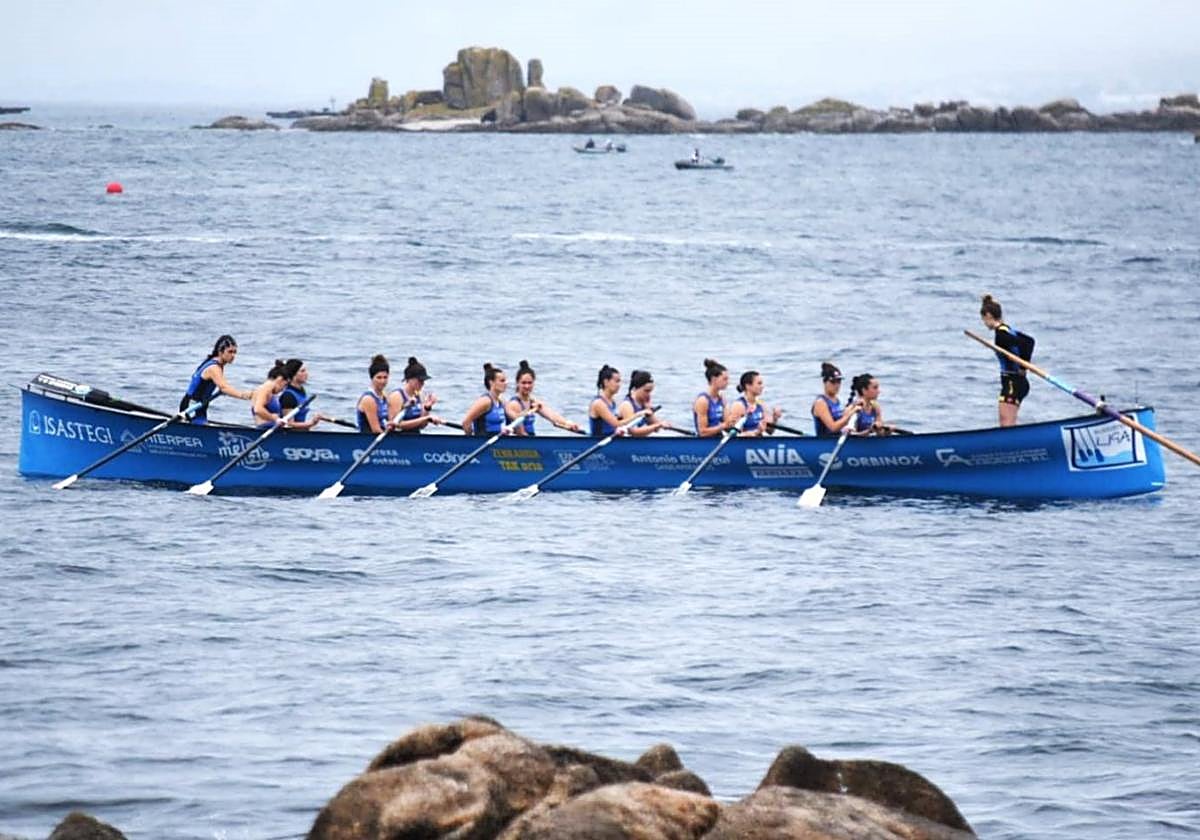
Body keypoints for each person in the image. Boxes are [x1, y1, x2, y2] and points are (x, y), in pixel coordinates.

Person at [980, 293, 1034, 427]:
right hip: (1016, 382)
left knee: (1006, 424)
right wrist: (1024, 367)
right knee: (1008, 424)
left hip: (1012, 383)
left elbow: (1026, 343)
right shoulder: (1008, 329)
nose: (984, 323)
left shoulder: (1001, 335)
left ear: (988, 316)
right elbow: (1029, 342)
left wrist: (1022, 368)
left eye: (983, 319)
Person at [179, 334, 254, 424]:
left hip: (199, 406)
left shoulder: (216, 364)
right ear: (220, 352)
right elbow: (224, 387)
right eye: (230, 352)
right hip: (191, 408)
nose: (233, 355)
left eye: (235, 352)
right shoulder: (214, 368)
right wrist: (244, 395)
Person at [506, 359, 583, 436]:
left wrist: (569, 424)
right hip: (520, 442)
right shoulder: (514, 404)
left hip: (530, 438)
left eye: (530, 383)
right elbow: (521, 433)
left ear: (534, 383)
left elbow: (552, 416)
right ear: (517, 383)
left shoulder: (534, 402)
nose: (527, 386)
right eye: (524, 383)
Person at [388, 356, 443, 434]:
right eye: (420, 380)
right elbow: (396, 425)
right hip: (399, 438)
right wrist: (427, 418)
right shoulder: (396, 396)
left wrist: (427, 408)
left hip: (415, 436)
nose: (423, 383)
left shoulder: (421, 395)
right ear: (409, 379)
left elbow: (422, 425)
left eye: (423, 380)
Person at [726, 370, 783, 436]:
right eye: (759, 383)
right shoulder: (739, 406)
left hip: (758, 443)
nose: (762, 386)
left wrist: (775, 418)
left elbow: (770, 431)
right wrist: (757, 432)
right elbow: (736, 436)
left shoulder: (761, 404)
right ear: (748, 386)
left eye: (762, 383)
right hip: (744, 444)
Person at [618, 369, 671, 436]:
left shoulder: (644, 404)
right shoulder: (627, 405)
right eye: (646, 391)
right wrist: (658, 425)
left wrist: (659, 423)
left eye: (650, 391)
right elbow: (634, 432)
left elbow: (657, 429)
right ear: (635, 389)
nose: (649, 395)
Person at [811, 362, 859, 437]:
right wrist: (850, 414)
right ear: (825, 382)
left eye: (839, 382)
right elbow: (833, 428)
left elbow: (842, 421)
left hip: (838, 437)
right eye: (833, 382)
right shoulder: (820, 403)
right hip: (825, 442)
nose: (837, 385)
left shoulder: (837, 400)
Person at [461, 363, 510, 436]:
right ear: (491, 382)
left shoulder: (502, 401)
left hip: (498, 441)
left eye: (506, 380)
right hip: (483, 440)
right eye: (502, 381)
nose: (506, 383)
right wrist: (471, 439)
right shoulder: (485, 401)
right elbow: (466, 422)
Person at [693, 358, 736, 437]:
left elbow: (727, 425)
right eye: (724, 379)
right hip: (705, 442)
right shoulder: (703, 401)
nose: (728, 382)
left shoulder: (722, 399)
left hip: (719, 437)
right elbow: (702, 432)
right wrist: (723, 426)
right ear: (714, 379)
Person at [277, 358, 321, 431]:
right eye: (302, 371)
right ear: (293, 375)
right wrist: (311, 423)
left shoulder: (301, 391)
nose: (306, 374)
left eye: (306, 370)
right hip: (291, 435)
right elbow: (288, 423)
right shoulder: (288, 396)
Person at [250, 360, 291, 429]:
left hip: (274, 428)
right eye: (285, 385)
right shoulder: (266, 388)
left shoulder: (270, 391)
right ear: (280, 379)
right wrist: (275, 419)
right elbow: (258, 409)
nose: (283, 389)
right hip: (264, 428)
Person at [356, 354, 391, 434]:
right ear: (372, 378)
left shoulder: (385, 396)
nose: (382, 381)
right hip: (368, 439)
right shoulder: (369, 399)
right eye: (379, 377)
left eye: (385, 377)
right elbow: (376, 430)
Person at [589, 364, 623, 437]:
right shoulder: (598, 403)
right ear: (606, 382)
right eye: (616, 381)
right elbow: (616, 424)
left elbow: (617, 422)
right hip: (597, 440)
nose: (619, 385)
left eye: (620, 381)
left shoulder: (612, 402)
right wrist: (638, 415)